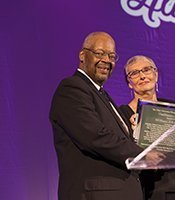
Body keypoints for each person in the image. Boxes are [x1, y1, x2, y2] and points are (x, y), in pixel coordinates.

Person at [49, 32, 162, 200]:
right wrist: (142, 154)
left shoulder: (101, 94)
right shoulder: (72, 88)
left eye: (111, 56)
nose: (107, 60)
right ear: (82, 55)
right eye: (99, 53)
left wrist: (133, 131)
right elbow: (94, 136)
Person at [119, 55, 175, 200]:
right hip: (150, 187)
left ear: (156, 74)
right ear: (129, 83)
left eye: (146, 70)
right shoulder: (122, 114)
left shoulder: (174, 108)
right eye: (134, 73)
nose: (142, 76)